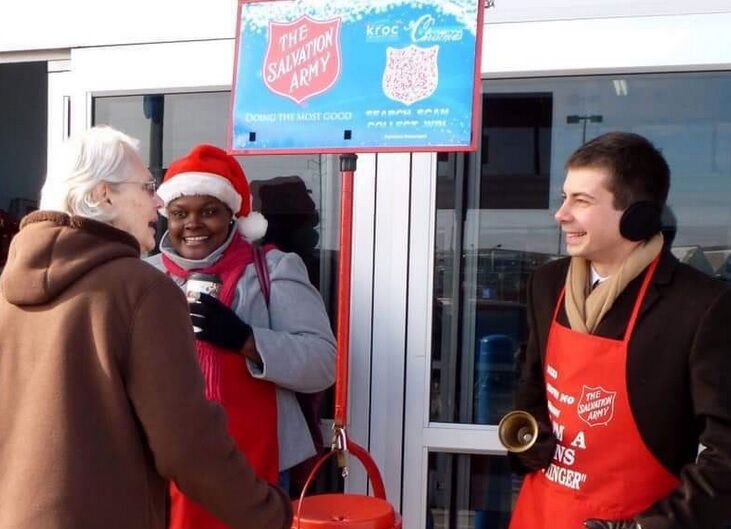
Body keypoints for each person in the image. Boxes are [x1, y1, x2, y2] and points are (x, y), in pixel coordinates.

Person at [0, 126, 292, 529]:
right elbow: (186, 445)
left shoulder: (6, 290)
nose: (157, 202)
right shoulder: (144, 290)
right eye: (146, 186)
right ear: (104, 194)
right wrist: (270, 512)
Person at [508, 132, 731, 529]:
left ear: (637, 216)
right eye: (564, 197)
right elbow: (533, 386)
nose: (561, 214)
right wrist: (528, 433)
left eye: (581, 201)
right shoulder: (546, 284)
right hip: (542, 513)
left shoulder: (701, 306)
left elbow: (725, 453)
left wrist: (650, 526)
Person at [146, 144, 336, 528]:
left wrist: (246, 339)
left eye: (209, 212)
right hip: (162, 468)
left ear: (234, 216)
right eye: (180, 213)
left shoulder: (274, 269)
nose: (193, 224)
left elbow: (323, 363)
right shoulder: (142, 276)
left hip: (254, 467)